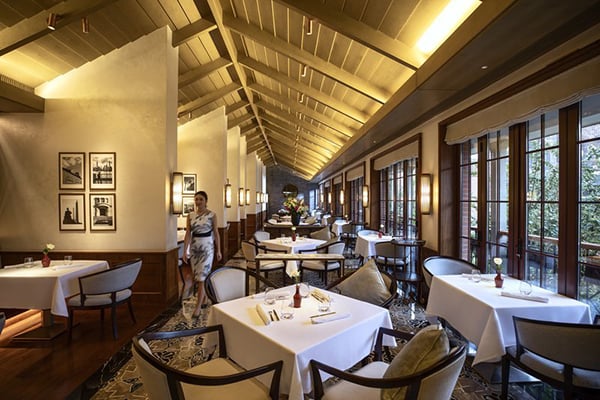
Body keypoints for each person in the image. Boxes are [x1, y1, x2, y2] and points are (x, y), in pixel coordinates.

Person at [182, 190, 222, 318]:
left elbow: (216, 233)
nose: (198, 202)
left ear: (206, 201)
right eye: (196, 199)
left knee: (202, 277)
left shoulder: (212, 215)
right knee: (197, 276)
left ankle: (198, 307)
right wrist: (185, 251)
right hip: (195, 247)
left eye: (201, 199)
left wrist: (219, 250)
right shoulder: (190, 215)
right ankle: (204, 299)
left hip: (207, 247)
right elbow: (188, 234)